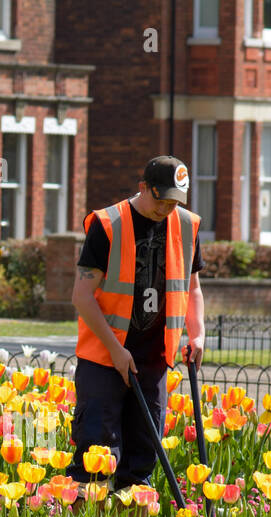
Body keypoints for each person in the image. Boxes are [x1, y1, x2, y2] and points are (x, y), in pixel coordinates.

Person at [65, 156, 205, 493]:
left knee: (142, 458)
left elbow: (193, 288)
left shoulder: (187, 226)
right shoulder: (107, 224)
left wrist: (197, 334)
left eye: (175, 202)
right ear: (143, 188)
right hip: (103, 358)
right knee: (96, 456)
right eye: (161, 200)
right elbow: (82, 296)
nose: (166, 209)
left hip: (153, 359)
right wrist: (116, 350)